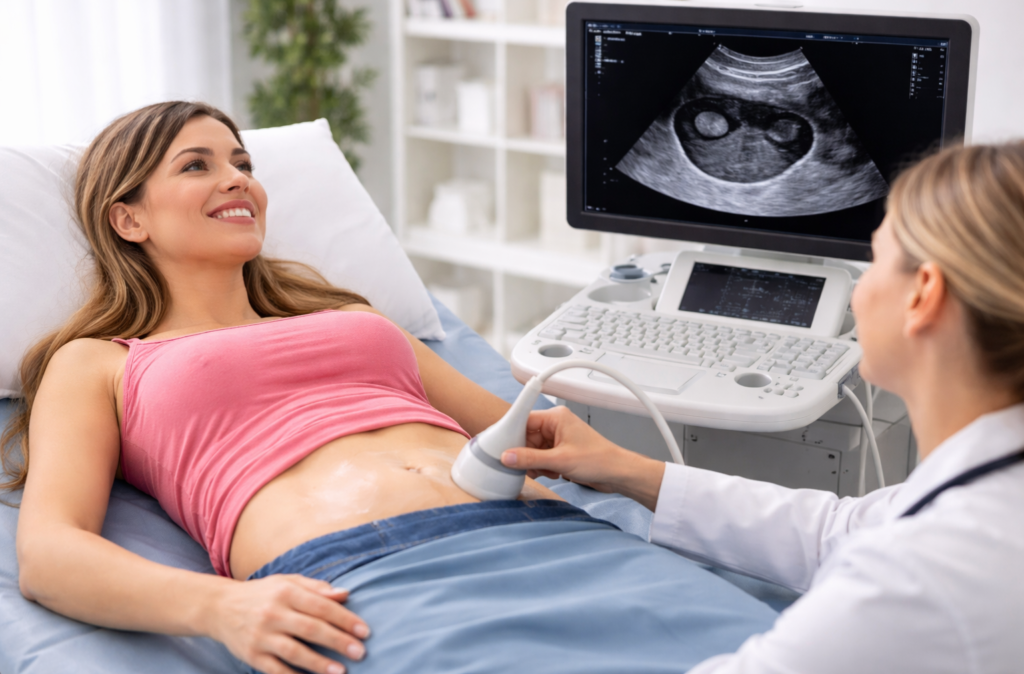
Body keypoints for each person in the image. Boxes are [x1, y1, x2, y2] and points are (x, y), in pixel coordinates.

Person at [4, 101, 780, 674]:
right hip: (365, 582)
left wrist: (601, 458)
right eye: (196, 164)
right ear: (127, 218)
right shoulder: (100, 360)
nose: (238, 178)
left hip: (561, 541)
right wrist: (223, 607)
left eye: (242, 161)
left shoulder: (353, 317)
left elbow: (539, 434)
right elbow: (48, 552)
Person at [501, 141, 1024, 672]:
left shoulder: (919, 579)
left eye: (876, 258)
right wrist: (627, 469)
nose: (858, 293)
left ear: (923, 296)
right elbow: (838, 530)